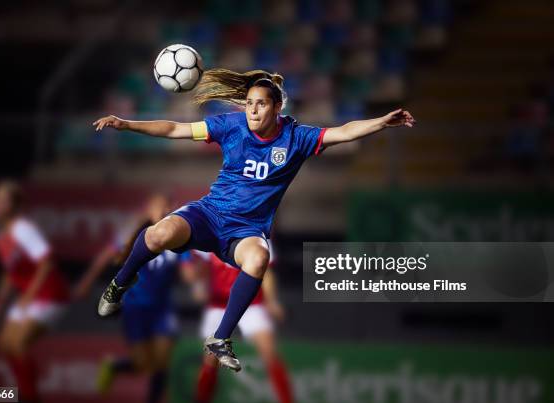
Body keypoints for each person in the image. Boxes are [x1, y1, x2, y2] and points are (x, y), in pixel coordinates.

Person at [92, 68, 415, 371]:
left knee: (259, 256)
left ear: (277, 108)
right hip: (209, 214)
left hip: (245, 231)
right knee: (158, 234)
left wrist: (381, 122)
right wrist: (127, 123)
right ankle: (119, 284)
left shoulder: (296, 137)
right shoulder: (231, 125)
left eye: (261, 104)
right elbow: (176, 128)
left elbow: (344, 132)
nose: (253, 111)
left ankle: (219, 338)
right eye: (249, 104)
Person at [74, 194, 187, 403]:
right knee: (144, 364)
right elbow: (106, 256)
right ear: (149, 210)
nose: (163, 212)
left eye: (166, 207)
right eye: (158, 208)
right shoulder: (134, 233)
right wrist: (86, 282)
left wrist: (196, 279)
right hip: (135, 307)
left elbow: (189, 268)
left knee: (162, 362)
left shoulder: (177, 235)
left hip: (163, 308)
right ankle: (115, 366)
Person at [0, 181, 69, 403]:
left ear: (14, 205)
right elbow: (10, 273)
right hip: (29, 297)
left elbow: (47, 262)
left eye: (3, 199)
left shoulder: (23, 228)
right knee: (4, 343)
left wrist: (29, 295)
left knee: (19, 344)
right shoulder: (2, 235)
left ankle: (30, 400)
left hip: (49, 294)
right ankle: (26, 393)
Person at [185, 246, 293, 403]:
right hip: (218, 305)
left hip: (252, 303)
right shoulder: (212, 229)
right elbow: (202, 267)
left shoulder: (259, 233)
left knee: (270, 353)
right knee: (210, 360)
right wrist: (199, 285)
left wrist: (271, 301)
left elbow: (267, 272)